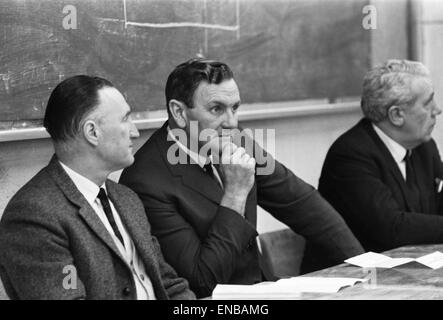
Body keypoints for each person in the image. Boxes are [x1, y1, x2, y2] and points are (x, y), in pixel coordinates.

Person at [119, 58, 364, 298]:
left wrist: (363, 269)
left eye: (235, 108)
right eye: (217, 109)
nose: (232, 122)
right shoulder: (145, 182)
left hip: (265, 290)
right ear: (179, 112)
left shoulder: (237, 139)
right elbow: (203, 282)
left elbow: (303, 204)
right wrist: (235, 194)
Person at [0, 75, 195, 300]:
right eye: (125, 119)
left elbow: (168, 284)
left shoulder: (126, 198)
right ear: (92, 132)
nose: (135, 132)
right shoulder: (34, 216)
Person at [319, 59, 443, 253]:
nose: (437, 110)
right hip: (352, 277)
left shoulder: (423, 147)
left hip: (410, 269)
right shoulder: (350, 155)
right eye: (427, 104)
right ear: (396, 115)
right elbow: (392, 229)